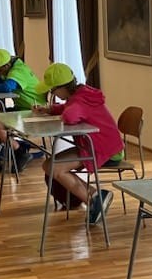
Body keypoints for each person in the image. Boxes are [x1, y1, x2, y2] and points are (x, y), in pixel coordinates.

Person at [32, 62, 125, 224]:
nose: (52, 94)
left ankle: (95, 199)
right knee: (49, 165)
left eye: (52, 90)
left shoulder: (80, 100)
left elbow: (70, 116)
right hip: (98, 145)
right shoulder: (81, 94)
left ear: (61, 88)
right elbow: (69, 107)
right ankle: (95, 196)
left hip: (104, 149)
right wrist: (50, 109)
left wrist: (61, 113)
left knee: (55, 168)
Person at [0, 48, 42, 174]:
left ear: (5, 66)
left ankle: (20, 152)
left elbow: (7, 87)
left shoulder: (19, 71)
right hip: (21, 109)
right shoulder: (10, 68)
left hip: (34, 112)